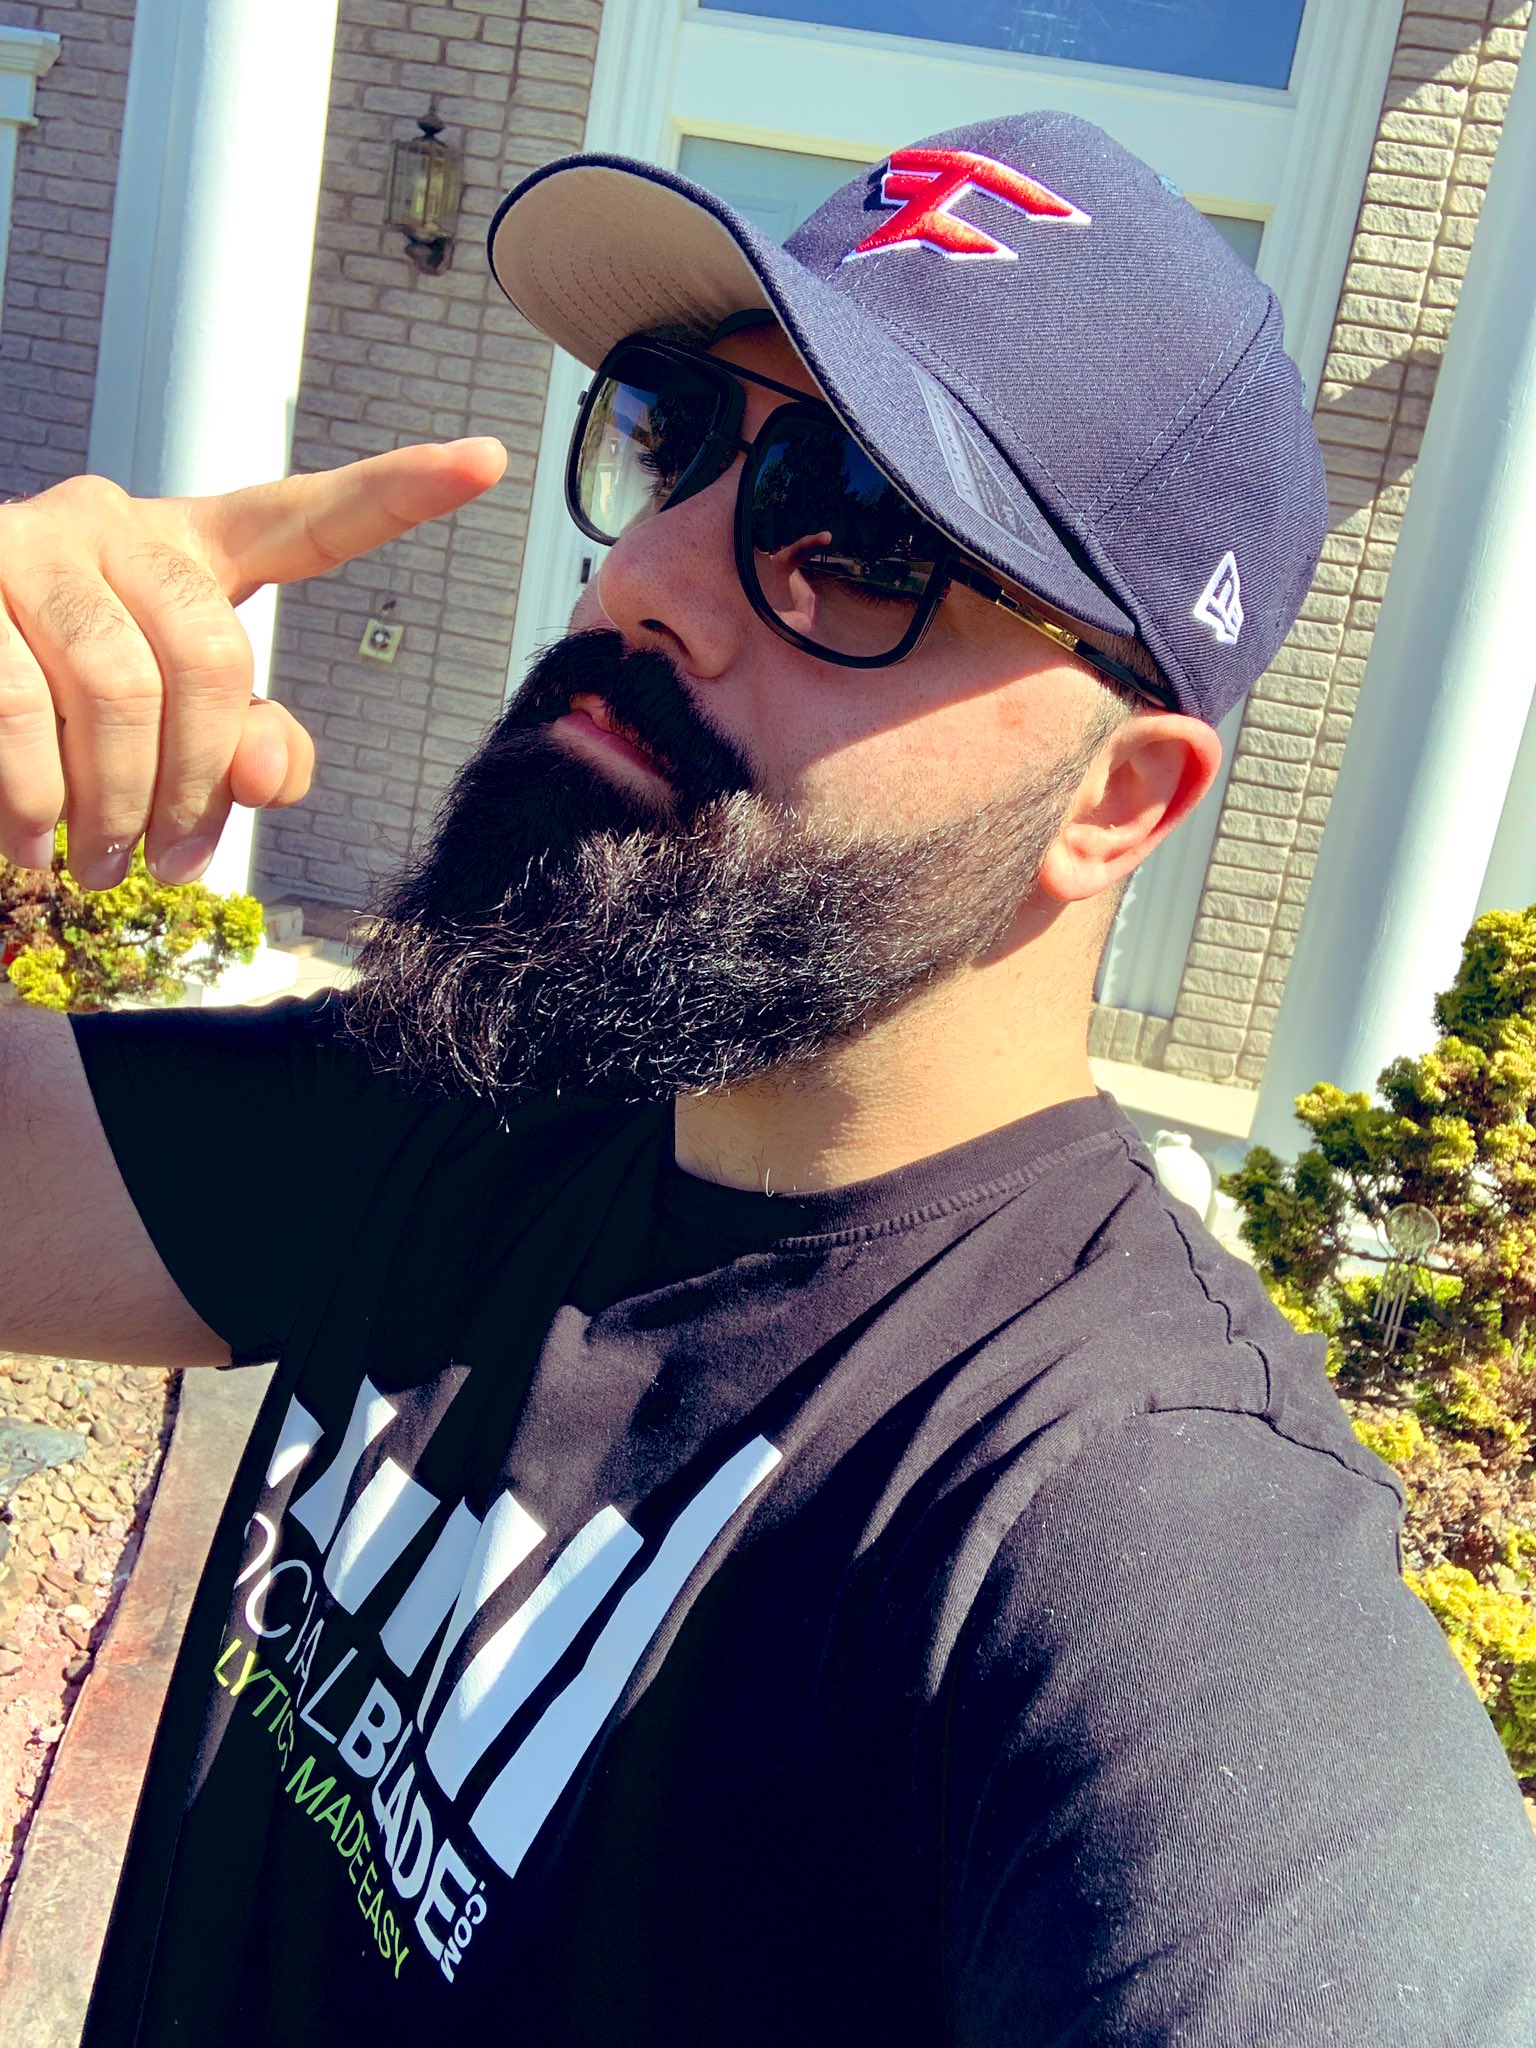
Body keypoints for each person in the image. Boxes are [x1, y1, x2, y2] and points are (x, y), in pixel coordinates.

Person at [0, 110, 1531, 2047]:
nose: (643, 578)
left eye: (855, 529)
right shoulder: (467, 1110)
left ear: (1116, 800)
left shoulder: (1112, 1515)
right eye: (676, 437)